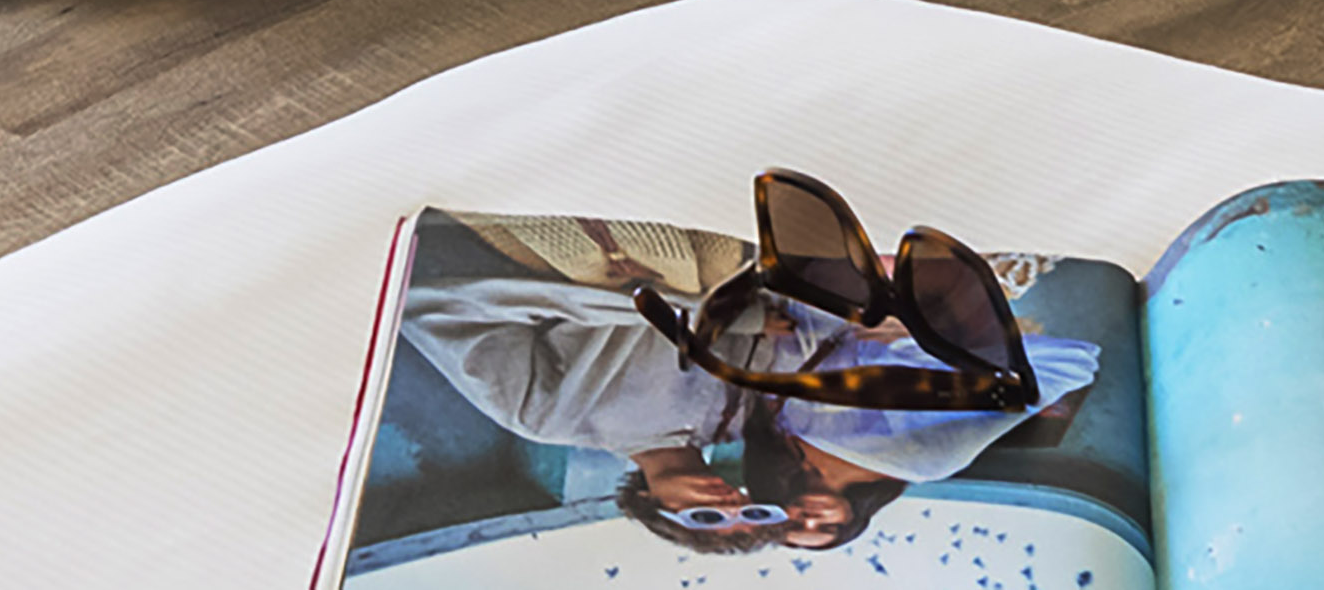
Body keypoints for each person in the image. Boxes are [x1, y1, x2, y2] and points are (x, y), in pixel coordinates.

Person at [399, 265, 1094, 560]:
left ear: (649, 505)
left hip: (594, 252)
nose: (725, 502)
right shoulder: (757, 415)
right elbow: (813, 325)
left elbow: (431, 303)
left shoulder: (546, 418)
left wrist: (652, 304)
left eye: (703, 517)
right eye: (748, 513)